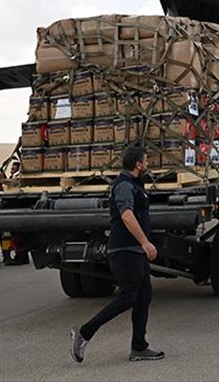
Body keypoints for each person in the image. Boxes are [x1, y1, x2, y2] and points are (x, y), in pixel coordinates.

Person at [70, 146, 164, 364]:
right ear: (138, 164)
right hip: (125, 250)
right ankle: (84, 332)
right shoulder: (123, 186)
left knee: (143, 296)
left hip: (133, 251)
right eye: (146, 161)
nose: (148, 164)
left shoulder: (134, 185)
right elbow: (127, 216)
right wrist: (145, 243)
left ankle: (139, 347)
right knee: (127, 298)